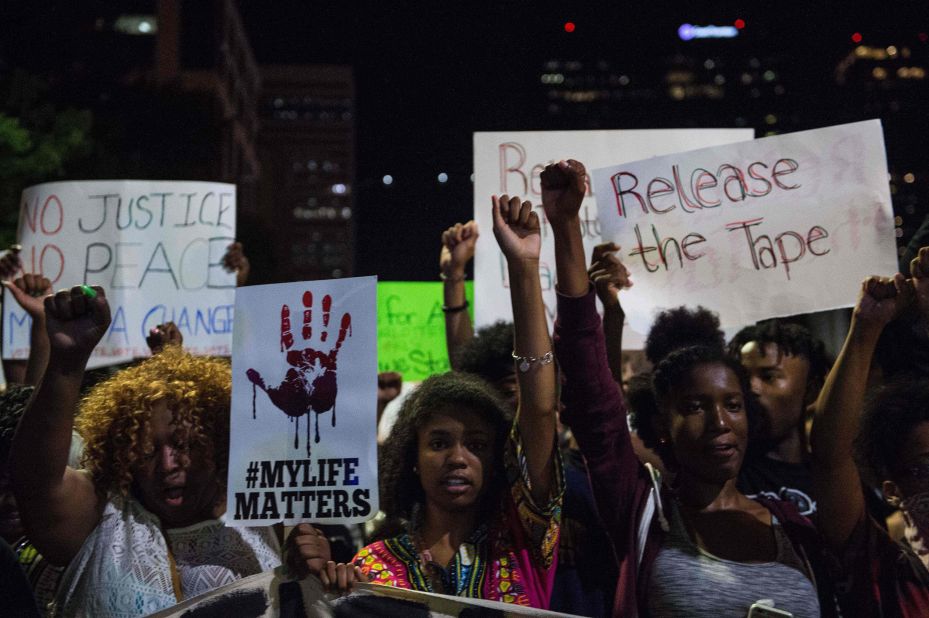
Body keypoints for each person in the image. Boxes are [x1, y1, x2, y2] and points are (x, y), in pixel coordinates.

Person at [547, 158, 836, 617]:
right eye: (696, 407)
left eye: (734, 405)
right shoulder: (645, 513)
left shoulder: (796, 527)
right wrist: (566, 231)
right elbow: (591, 397)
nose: (720, 422)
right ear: (662, 424)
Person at [330, 195, 563, 607]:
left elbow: (540, 409)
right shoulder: (372, 566)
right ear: (411, 458)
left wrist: (524, 267)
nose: (458, 458)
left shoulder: (524, 542)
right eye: (439, 443)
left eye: (477, 445)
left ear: (498, 458)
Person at [9, 286, 280, 617]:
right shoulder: (100, 512)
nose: (168, 464)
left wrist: (321, 574)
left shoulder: (270, 508)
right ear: (122, 451)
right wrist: (67, 362)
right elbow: (35, 482)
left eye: (183, 445)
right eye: (147, 450)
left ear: (218, 440)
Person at [810, 253, 929, 615]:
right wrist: (866, 328)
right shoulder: (882, 570)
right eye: (925, 470)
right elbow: (830, 457)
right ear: (892, 491)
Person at [729, 320, 830, 517]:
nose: (751, 388)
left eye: (768, 376)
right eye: (742, 377)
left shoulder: (834, 478)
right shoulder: (720, 473)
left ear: (811, 391)